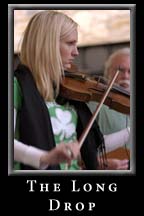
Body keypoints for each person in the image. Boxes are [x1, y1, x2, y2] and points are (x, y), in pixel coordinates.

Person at [14, 11, 129, 170]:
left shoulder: (66, 91)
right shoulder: (16, 86)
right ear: (48, 44)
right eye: (70, 43)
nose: (76, 52)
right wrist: (45, 157)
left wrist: (130, 131)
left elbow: (91, 146)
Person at [88, 48, 130, 166]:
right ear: (107, 72)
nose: (125, 76)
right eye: (120, 70)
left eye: (130, 71)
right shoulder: (96, 102)